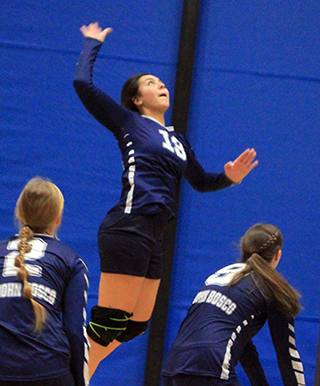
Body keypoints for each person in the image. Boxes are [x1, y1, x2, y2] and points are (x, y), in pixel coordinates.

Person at [73, 22, 258, 377]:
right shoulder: (128, 121)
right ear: (136, 99)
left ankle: (79, 371)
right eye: (150, 83)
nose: (160, 85)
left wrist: (229, 178)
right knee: (109, 323)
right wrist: (91, 43)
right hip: (129, 225)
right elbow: (83, 84)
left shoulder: (179, 141)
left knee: (134, 325)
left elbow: (201, 182)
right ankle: (66, 371)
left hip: (155, 235)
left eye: (161, 82)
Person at [162, 223, 306, 386]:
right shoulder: (273, 287)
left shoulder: (220, 274)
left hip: (173, 366)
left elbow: (242, 344)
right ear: (277, 255)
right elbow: (287, 354)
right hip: (213, 367)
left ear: (244, 248)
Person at [0, 177, 89, 386]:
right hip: (48, 370)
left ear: (19, 214)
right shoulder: (71, 261)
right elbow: (75, 331)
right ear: (58, 218)